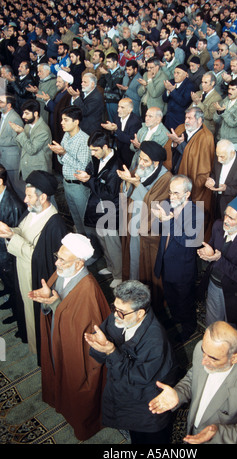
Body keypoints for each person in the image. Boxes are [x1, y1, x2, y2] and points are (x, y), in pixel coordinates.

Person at [28, 233, 111, 441]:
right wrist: (48, 301)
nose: (56, 262)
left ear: (79, 264)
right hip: (60, 336)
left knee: (75, 379)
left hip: (76, 349)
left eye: (62, 259)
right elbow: (59, 309)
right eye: (58, 256)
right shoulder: (61, 272)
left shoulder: (87, 289)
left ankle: (83, 422)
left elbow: (80, 333)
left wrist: (54, 305)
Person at [85, 280, 178, 445]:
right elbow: (101, 354)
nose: (114, 315)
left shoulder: (155, 339)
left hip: (147, 405)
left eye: (121, 312)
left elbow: (139, 378)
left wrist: (111, 352)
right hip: (125, 395)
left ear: (140, 313)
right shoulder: (120, 318)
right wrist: (99, 347)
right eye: (114, 308)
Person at [149, 321, 237, 444]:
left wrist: (217, 432)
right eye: (203, 352)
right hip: (191, 429)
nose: (203, 361)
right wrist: (178, 393)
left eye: (213, 358)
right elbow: (192, 378)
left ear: (234, 358)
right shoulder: (203, 350)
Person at [0, 170, 67, 358]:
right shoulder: (32, 213)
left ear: (43, 197)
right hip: (24, 273)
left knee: (38, 321)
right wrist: (9, 231)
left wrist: (13, 237)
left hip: (38, 280)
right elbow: (22, 233)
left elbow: (43, 259)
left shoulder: (55, 224)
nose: (25, 200)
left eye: (29, 196)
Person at [118, 140, 172, 312]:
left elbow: (153, 205)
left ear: (156, 163)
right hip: (133, 226)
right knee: (133, 263)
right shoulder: (139, 170)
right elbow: (125, 194)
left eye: (145, 160)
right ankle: (132, 297)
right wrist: (127, 183)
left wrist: (134, 184)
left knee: (147, 268)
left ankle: (148, 304)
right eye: (140, 158)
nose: (140, 163)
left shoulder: (166, 179)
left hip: (149, 232)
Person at [198, 196, 237, 328]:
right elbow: (211, 247)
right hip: (215, 284)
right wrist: (206, 252)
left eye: (231, 218)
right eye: (226, 215)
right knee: (213, 324)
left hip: (235, 292)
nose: (225, 220)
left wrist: (217, 258)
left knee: (230, 329)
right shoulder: (217, 225)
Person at [153, 175, 204, 342]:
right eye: (170, 192)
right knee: (171, 297)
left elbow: (188, 242)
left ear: (187, 194)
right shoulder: (168, 205)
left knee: (185, 301)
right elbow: (160, 230)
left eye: (176, 193)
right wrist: (160, 219)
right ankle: (175, 318)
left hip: (182, 268)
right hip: (166, 263)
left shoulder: (197, 214)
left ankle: (189, 328)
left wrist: (168, 221)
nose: (171, 196)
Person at [74, 131, 122, 288]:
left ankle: (119, 275)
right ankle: (110, 267)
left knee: (113, 244)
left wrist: (89, 180)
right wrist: (85, 176)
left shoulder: (116, 165)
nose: (92, 154)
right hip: (98, 207)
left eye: (95, 150)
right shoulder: (97, 158)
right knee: (103, 241)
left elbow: (109, 193)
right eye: (91, 150)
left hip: (110, 210)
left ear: (105, 147)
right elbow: (91, 173)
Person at [164, 107, 215, 240]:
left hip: (191, 181)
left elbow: (201, 164)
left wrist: (181, 143)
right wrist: (175, 144)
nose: (186, 121)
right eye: (186, 117)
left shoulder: (206, 137)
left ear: (199, 120)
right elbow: (170, 149)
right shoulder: (181, 128)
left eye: (190, 118)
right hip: (176, 174)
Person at [48, 106, 91, 235]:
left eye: (66, 120)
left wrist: (63, 153)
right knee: (76, 219)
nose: (62, 123)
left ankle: (92, 250)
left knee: (85, 220)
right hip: (67, 184)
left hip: (79, 186)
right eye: (62, 120)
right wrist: (60, 154)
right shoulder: (66, 135)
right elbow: (62, 162)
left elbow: (82, 168)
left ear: (76, 122)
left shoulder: (84, 140)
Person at [206, 139, 237, 220]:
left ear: (232, 153)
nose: (218, 160)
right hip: (215, 199)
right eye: (217, 156)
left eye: (222, 157)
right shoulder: (219, 156)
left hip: (230, 204)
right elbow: (214, 172)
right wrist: (212, 180)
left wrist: (226, 189)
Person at [0, 164, 25, 314]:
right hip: (2, 253)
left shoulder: (13, 205)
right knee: (7, 281)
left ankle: (17, 313)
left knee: (15, 284)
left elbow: (16, 237)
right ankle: (10, 298)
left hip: (9, 256)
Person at [9, 99, 52, 182]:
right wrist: (18, 133)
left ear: (35, 113)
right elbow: (22, 146)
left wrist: (21, 133)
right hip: (28, 169)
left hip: (38, 171)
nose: (23, 116)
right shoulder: (28, 125)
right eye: (23, 113)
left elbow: (32, 150)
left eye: (27, 113)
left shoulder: (43, 130)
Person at [101, 98, 142, 168]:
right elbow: (114, 135)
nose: (118, 110)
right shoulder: (117, 116)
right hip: (118, 150)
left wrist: (116, 130)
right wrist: (111, 130)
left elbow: (130, 140)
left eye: (122, 107)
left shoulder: (135, 121)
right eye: (118, 107)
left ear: (130, 110)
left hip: (129, 154)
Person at [213, 79, 237, 153]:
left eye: (233, 89)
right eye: (229, 88)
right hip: (221, 139)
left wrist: (223, 111)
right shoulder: (225, 100)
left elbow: (233, 123)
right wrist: (218, 112)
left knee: (233, 164)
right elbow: (216, 119)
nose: (229, 91)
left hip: (234, 142)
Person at [0, 94, 25, 199]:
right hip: (4, 159)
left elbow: (17, 139)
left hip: (11, 160)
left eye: (1, 102)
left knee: (17, 187)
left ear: (9, 105)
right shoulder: (3, 116)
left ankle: (24, 209)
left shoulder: (15, 118)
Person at [162, 64, 195, 131]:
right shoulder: (171, 82)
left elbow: (183, 102)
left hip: (179, 120)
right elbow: (164, 99)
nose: (175, 75)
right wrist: (168, 91)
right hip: (168, 119)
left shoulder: (190, 85)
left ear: (185, 74)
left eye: (178, 73)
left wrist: (172, 90)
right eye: (174, 73)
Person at [189, 71, 222, 135]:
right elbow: (188, 110)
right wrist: (194, 103)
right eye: (202, 82)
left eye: (205, 82)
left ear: (212, 83)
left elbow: (210, 116)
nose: (202, 85)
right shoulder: (198, 93)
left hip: (205, 131)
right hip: (192, 128)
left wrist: (198, 103)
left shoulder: (217, 97)